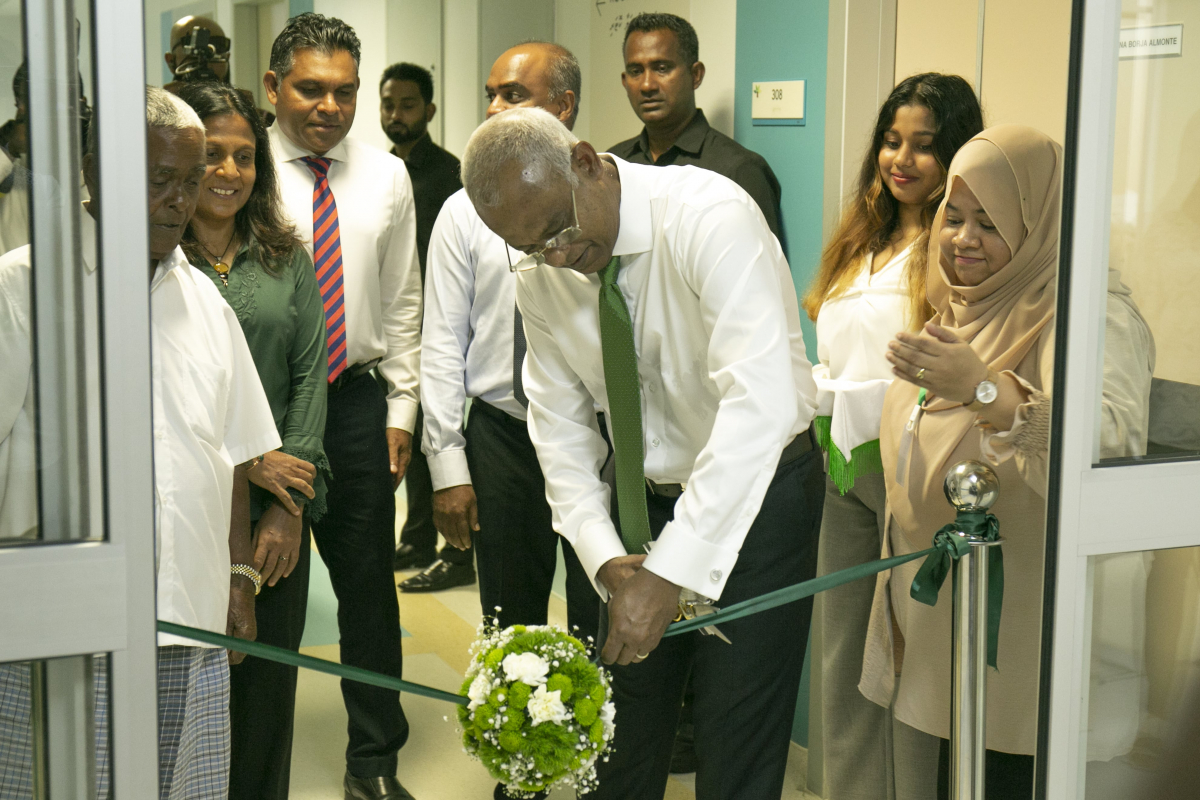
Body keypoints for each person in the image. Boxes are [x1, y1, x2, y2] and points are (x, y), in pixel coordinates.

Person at [461, 107, 824, 800]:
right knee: (620, 737)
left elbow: (760, 405)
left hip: (759, 498)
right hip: (639, 507)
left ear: (588, 163)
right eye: (532, 248)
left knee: (733, 734)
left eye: (559, 232)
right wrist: (602, 555)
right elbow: (560, 425)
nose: (556, 256)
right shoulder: (539, 274)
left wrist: (672, 573)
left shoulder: (711, 217)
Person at [864, 125, 1154, 800]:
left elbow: (1106, 443)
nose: (963, 240)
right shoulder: (967, 306)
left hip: (1027, 640)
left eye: (989, 223)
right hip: (958, 632)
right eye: (953, 218)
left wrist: (987, 391)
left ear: (1040, 223)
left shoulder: (1086, 313)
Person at [800, 73, 982, 800]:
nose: (901, 160)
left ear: (958, 155)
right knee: (844, 653)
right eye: (891, 140)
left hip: (911, 462)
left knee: (903, 658)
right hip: (840, 461)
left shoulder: (957, 244)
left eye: (925, 147)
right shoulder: (859, 237)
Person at [263, 13, 422, 800]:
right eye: (310, 88)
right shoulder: (240, 167)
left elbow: (403, 305)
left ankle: (374, 759)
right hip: (266, 411)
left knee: (365, 590)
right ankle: (253, 762)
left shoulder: (387, 176)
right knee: (268, 589)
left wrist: (402, 413)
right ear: (273, 88)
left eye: (345, 91)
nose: (329, 106)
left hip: (356, 403)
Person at [173, 81, 329, 800]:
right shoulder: (158, 266)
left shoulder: (284, 256)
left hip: (276, 518)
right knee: (186, 690)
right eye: (212, 155)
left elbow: (310, 378)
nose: (229, 172)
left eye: (244, 157)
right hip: (190, 512)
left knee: (266, 689)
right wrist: (248, 458)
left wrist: (287, 507)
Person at [377, 60, 470, 580]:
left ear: (429, 110)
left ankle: (458, 553)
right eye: (388, 104)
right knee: (406, 434)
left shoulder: (452, 173)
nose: (396, 113)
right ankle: (415, 539)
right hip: (401, 324)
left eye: (407, 104)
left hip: (447, 327)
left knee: (448, 435)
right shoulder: (382, 172)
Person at [608, 12, 783, 244]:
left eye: (661, 68)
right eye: (635, 71)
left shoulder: (739, 170)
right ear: (624, 81)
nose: (647, 85)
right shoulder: (614, 165)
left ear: (696, 75)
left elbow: (766, 273)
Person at [164, 15, 231, 86]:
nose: (206, 63)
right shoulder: (161, 97)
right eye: (193, 55)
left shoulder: (238, 97)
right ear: (170, 61)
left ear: (227, 57)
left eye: (218, 45)